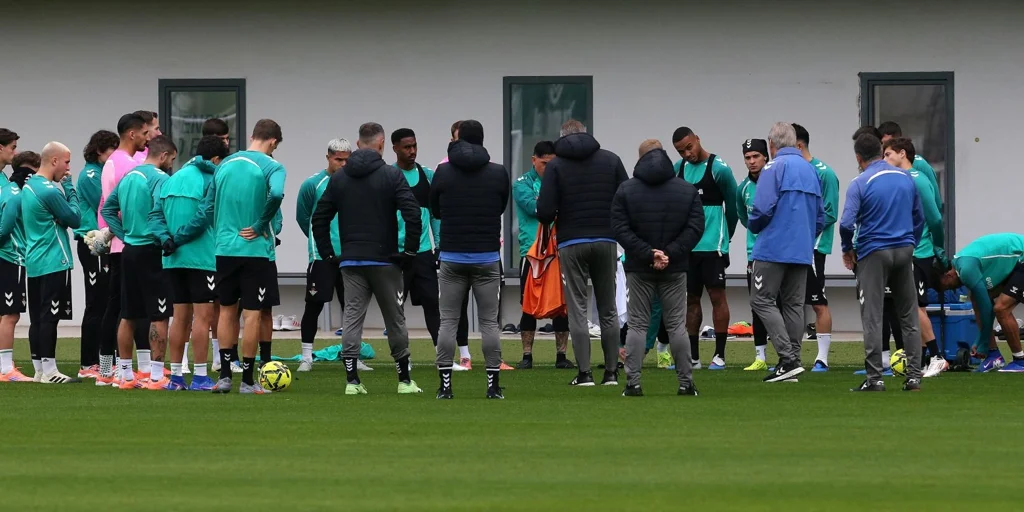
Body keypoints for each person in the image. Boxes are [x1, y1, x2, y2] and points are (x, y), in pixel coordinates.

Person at [311, 121, 422, 396]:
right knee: (394, 320)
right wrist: (409, 251)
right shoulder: (392, 176)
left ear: (358, 144)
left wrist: (327, 255)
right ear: (382, 144)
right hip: (386, 261)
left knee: (351, 319)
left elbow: (319, 218)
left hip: (351, 261)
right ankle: (404, 381)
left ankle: (352, 381)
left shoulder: (339, 178)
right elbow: (413, 214)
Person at [177, 119, 285, 394]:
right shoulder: (272, 165)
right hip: (254, 251)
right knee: (251, 315)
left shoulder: (224, 164)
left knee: (225, 311)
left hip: (224, 250)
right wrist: (261, 225)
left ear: (252, 136)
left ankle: (224, 376)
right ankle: (248, 381)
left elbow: (208, 205)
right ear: (273, 142)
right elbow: (277, 193)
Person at [536, 119, 627, 386]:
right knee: (608, 307)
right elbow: (626, 197)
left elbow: (544, 211)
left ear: (561, 138)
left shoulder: (555, 166)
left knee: (577, 309)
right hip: (606, 239)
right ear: (587, 134)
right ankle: (611, 372)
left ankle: (584, 373)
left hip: (571, 241)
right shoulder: (611, 160)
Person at [611, 139, 704, 397]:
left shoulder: (626, 190)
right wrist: (669, 254)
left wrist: (647, 253)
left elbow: (619, 228)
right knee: (677, 326)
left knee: (638, 325)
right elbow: (695, 228)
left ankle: (633, 383)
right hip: (675, 269)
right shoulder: (687, 190)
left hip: (639, 268)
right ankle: (686, 383)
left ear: (639, 159)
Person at [430, 120, 510, 399]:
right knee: (489, 323)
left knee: (448, 321)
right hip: (487, 256)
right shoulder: (499, 173)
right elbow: (501, 205)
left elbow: (435, 209)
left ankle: (445, 387)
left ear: (458, 139)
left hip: (451, 255)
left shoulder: (443, 171)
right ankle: (492, 386)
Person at [840, 132, 925, 392]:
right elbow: (919, 217)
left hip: (874, 252)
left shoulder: (860, 182)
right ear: (880, 150)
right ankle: (913, 377)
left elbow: (846, 223)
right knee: (908, 314)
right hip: (904, 250)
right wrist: (911, 242)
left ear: (858, 157)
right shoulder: (906, 178)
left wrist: (847, 249)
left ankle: (874, 378)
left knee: (873, 315)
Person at [749, 123, 824, 383]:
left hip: (772, 247)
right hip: (801, 249)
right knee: (794, 305)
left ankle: (787, 359)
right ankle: (792, 362)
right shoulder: (811, 170)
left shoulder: (773, 168)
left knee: (761, 300)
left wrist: (754, 226)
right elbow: (820, 217)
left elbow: (761, 208)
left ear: (772, 144)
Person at [152, 135, 228, 390]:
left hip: (173, 259)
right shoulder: (212, 179)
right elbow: (205, 216)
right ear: (216, 159)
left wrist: (166, 239)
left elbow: (155, 215)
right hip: (201, 257)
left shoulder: (173, 178)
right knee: (203, 319)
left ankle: (175, 377)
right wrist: (179, 237)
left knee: (180, 318)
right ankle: (199, 376)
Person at [101, 135, 177, 390]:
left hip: (129, 251)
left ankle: (125, 376)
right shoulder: (160, 179)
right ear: (164, 155)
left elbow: (107, 210)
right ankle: (156, 376)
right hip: (152, 251)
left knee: (128, 314)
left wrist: (123, 235)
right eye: (172, 159)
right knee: (159, 314)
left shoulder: (129, 177)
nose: (171, 164)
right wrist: (165, 237)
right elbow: (160, 211)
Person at [671, 127, 738, 370]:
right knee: (691, 300)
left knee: (717, 296)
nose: (687, 154)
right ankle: (694, 358)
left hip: (713, 247)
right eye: (681, 150)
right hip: (687, 248)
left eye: (689, 147)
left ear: (698, 139)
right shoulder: (678, 169)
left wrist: (725, 237)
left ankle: (719, 355)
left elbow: (733, 206)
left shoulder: (719, 168)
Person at [882, 137, 948, 378]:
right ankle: (919, 360)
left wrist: (938, 249)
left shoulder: (917, 180)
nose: (885, 159)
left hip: (919, 252)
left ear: (902, 154)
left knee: (915, 307)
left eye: (888, 154)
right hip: (906, 251)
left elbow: (935, 218)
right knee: (908, 308)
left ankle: (937, 356)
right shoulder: (901, 180)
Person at [296, 138, 362, 372]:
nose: (343, 164)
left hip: (351, 256)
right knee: (313, 306)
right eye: (338, 160)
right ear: (328, 158)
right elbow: (304, 218)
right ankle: (306, 357)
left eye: (347, 160)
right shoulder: (313, 184)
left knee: (352, 307)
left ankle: (352, 356)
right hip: (322, 257)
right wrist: (319, 242)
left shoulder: (356, 183)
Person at [98, 112, 153, 383]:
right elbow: (110, 208)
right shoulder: (116, 164)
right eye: (145, 133)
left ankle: (141, 366)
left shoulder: (136, 160)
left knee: (139, 308)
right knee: (119, 307)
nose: (148, 137)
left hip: (137, 246)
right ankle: (107, 369)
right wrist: (124, 235)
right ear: (132, 134)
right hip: (123, 248)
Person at [21, 142, 80, 383]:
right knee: (50, 316)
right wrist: (69, 187)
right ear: (54, 161)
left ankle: (39, 369)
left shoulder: (29, 185)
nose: (68, 168)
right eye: (66, 162)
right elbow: (75, 218)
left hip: (34, 259)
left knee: (38, 317)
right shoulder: (50, 190)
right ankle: (50, 371)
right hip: (54, 259)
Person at [513, 140, 573, 369]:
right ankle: (527, 356)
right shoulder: (522, 183)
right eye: (544, 163)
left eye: (552, 163)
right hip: (532, 252)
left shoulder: (563, 179)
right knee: (528, 303)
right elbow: (536, 209)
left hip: (559, 250)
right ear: (534, 160)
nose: (548, 168)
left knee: (561, 303)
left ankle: (561, 356)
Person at [789, 123, 840, 372]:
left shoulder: (824, 173)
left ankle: (822, 358)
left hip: (813, 247)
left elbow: (830, 213)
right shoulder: (789, 170)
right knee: (791, 302)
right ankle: (791, 357)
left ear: (799, 145)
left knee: (818, 302)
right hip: (790, 247)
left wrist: (804, 230)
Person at [938, 234, 1024, 373]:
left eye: (947, 287)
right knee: (977, 299)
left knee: (1001, 309)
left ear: (949, 275)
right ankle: (993, 355)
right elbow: (983, 304)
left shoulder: (966, 270)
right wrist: (981, 341)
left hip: (1021, 257)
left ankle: (1020, 361)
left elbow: (987, 309)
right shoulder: (959, 263)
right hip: (1014, 263)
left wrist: (980, 341)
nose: (951, 289)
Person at [73, 130, 119, 380]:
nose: (114, 154)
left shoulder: (101, 171)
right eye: (111, 148)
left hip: (103, 242)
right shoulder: (91, 174)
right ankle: (88, 363)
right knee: (96, 302)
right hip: (92, 242)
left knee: (106, 300)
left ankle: (105, 360)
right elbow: (106, 202)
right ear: (99, 150)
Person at [391, 129, 443, 347]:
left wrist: (439, 244)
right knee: (396, 308)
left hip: (423, 252)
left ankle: (443, 356)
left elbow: (435, 214)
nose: (412, 151)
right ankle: (403, 358)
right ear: (395, 148)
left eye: (414, 146)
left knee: (432, 303)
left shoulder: (428, 175)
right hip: (397, 254)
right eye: (406, 147)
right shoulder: (387, 175)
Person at [437, 120, 477, 370]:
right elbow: (436, 208)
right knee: (454, 309)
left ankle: (494, 358)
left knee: (490, 310)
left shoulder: (488, 167)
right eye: (456, 138)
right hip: (454, 249)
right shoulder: (444, 168)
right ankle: (462, 355)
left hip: (485, 247)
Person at [0, 152, 38, 382]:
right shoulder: (13, 191)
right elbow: (4, 229)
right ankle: (5, 368)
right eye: (11, 147)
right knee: (10, 313)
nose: (13, 152)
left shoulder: (5, 182)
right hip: (11, 256)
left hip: (10, 256)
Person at [735, 139, 771, 371]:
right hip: (754, 255)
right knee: (757, 305)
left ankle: (789, 356)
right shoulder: (743, 188)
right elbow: (744, 219)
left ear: (766, 157)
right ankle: (760, 357)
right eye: (748, 158)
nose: (752, 162)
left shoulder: (775, 182)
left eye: (756, 156)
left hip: (778, 253)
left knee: (782, 304)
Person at [877, 121, 941, 211]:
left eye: (887, 143)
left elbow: (936, 202)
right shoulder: (881, 167)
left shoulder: (919, 164)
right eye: (881, 144)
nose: (884, 147)